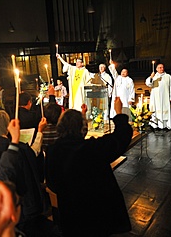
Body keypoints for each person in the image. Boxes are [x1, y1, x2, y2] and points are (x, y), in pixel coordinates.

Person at [46, 97, 133, 236]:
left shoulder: (53, 151)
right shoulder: (92, 149)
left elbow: (53, 183)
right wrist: (118, 113)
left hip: (71, 215)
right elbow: (121, 137)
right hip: (96, 214)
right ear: (82, 129)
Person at [145, 63, 171, 130]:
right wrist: (151, 77)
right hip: (155, 97)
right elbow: (148, 84)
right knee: (155, 110)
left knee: (164, 111)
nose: (161, 69)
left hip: (165, 97)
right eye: (160, 67)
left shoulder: (168, 76)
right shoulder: (154, 76)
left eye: (162, 67)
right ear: (156, 69)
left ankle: (165, 125)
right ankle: (155, 125)